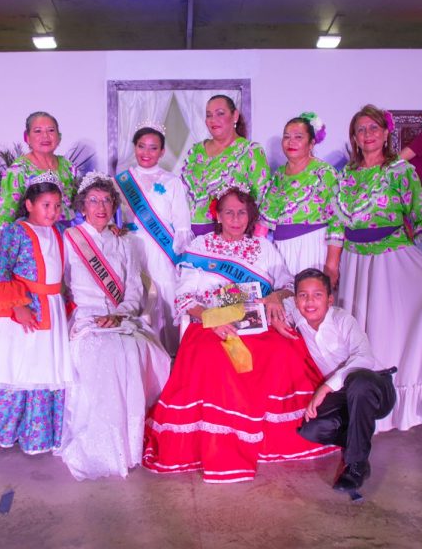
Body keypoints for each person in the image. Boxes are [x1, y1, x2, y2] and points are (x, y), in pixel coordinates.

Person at [143, 187, 335, 483]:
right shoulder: (200, 246)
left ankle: (275, 433)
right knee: (214, 356)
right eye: (229, 212)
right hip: (210, 322)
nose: (235, 219)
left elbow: (285, 284)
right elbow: (184, 297)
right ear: (217, 215)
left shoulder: (263, 247)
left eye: (242, 212)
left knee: (284, 350)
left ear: (250, 216)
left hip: (256, 321)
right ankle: (224, 440)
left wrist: (274, 298)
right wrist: (210, 319)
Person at [335, 105, 422, 432]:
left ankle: (393, 404)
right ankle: (360, 400)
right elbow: (336, 221)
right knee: (358, 332)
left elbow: (421, 212)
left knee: (385, 331)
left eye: (373, 128)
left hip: (389, 260)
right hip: (354, 260)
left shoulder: (400, 170)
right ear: (354, 137)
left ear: (385, 133)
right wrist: (332, 264)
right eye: (361, 129)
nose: (368, 135)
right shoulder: (346, 175)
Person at [60, 172, 171, 479]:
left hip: (124, 319)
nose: (101, 206)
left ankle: (130, 443)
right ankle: (103, 445)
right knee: (104, 353)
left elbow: (136, 287)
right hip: (86, 318)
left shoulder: (128, 242)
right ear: (83, 206)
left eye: (107, 200)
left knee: (133, 350)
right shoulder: (69, 240)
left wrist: (121, 314)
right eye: (93, 200)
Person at [0, 175, 73, 454]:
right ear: (29, 204)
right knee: (20, 365)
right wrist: (17, 307)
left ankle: (39, 432)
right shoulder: (16, 231)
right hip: (24, 307)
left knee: (46, 366)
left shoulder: (60, 232)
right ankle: (2, 425)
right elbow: (1, 272)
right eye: (46, 205)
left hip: (53, 306)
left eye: (57, 206)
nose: (53, 212)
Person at [272, 269, 396, 492]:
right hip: (344, 396)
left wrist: (325, 388)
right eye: (303, 295)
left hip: (375, 386)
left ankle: (357, 464)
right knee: (311, 430)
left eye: (317, 295)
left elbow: (364, 358)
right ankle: (359, 435)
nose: (310, 302)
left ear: (330, 299)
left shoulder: (342, 319)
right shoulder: (299, 313)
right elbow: (280, 299)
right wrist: (275, 311)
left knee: (358, 382)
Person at [116, 122, 192, 354]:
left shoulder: (172, 182)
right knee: (136, 296)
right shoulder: (120, 182)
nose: (146, 153)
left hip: (162, 250)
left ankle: (169, 357)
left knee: (163, 297)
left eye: (152, 148)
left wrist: (180, 258)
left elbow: (181, 225)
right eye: (141, 146)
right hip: (132, 247)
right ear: (134, 147)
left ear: (162, 152)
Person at [0, 112, 78, 273]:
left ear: (59, 137)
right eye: (37, 131)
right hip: (34, 243)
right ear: (27, 137)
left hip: (65, 238)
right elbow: (5, 212)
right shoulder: (19, 169)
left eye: (51, 130)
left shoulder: (67, 166)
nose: (45, 136)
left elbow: (78, 203)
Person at [259, 113, 342, 285]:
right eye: (287, 137)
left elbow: (337, 220)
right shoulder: (279, 175)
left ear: (311, 143)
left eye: (298, 137)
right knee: (285, 303)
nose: (291, 142)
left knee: (311, 302)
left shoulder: (324, 173)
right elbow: (265, 219)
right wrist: (254, 255)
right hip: (281, 250)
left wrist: (332, 265)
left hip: (313, 247)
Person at [180, 95, 270, 236]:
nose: (213, 120)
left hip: (230, 237)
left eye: (220, 113)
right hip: (190, 235)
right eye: (209, 115)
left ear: (235, 116)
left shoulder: (251, 151)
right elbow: (182, 193)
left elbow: (262, 200)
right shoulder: (195, 151)